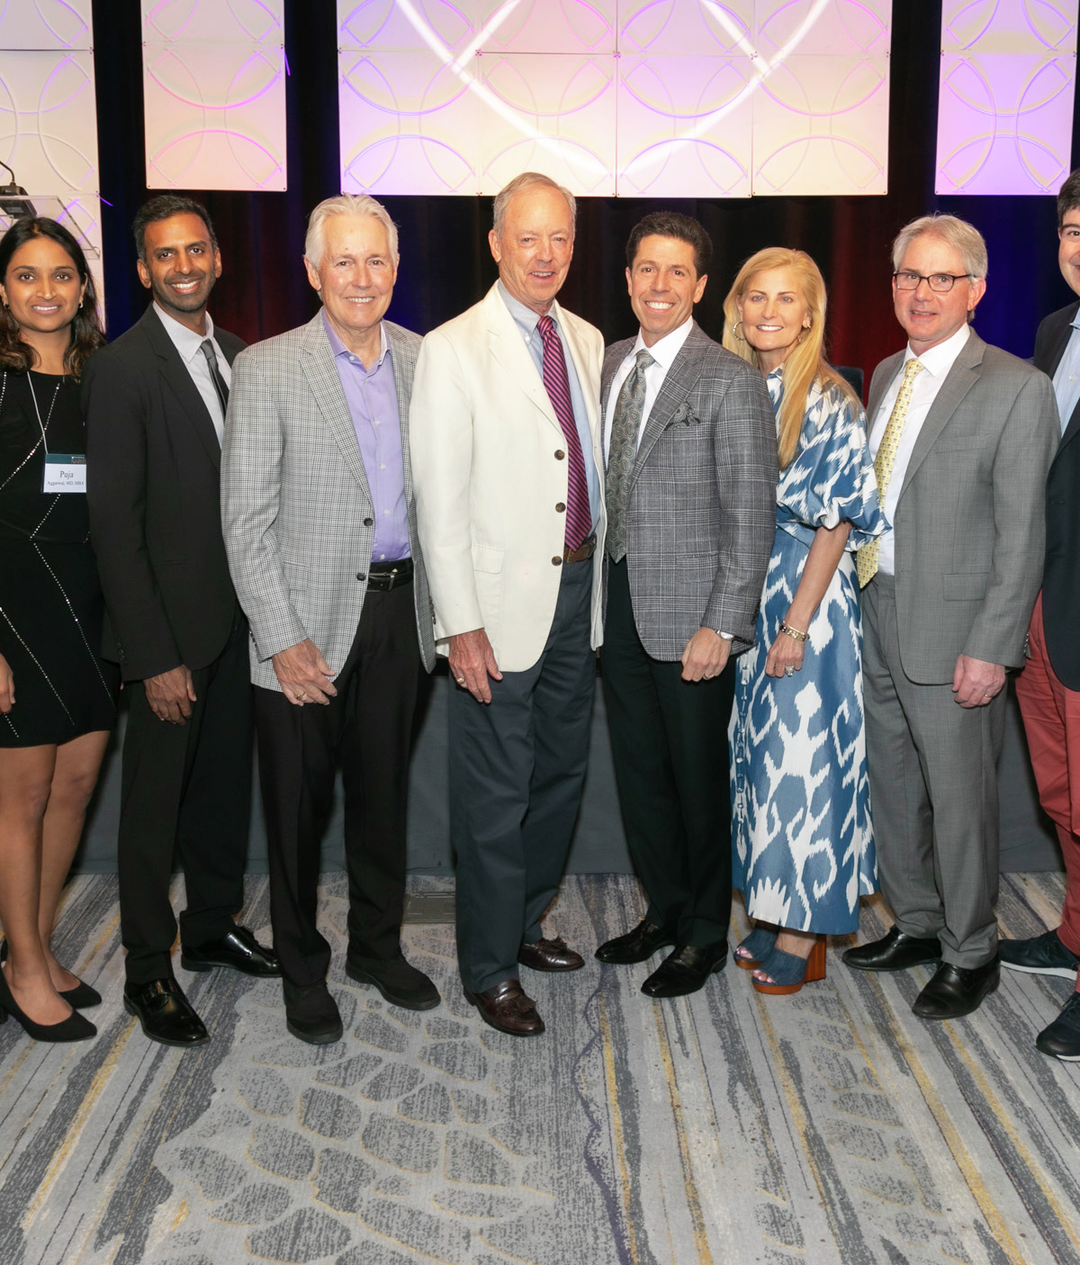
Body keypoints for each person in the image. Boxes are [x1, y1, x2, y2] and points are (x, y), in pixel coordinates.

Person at [221, 194, 438, 1047]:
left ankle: (377, 950)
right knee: (297, 812)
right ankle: (302, 970)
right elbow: (244, 520)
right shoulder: (268, 367)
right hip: (301, 631)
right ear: (312, 272)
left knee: (383, 799)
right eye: (342, 261)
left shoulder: (428, 361)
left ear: (396, 269)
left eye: (375, 260)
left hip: (400, 614)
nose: (360, 277)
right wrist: (279, 636)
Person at [843, 214, 1058, 1020]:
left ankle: (974, 951)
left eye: (941, 278)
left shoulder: (1015, 387)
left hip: (959, 630)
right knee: (892, 786)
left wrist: (993, 647)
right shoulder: (883, 377)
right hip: (878, 605)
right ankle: (920, 925)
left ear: (976, 289)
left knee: (961, 798)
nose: (922, 293)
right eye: (908, 277)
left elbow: (1022, 535)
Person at [410, 172, 605, 1038]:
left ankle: (525, 925)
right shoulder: (453, 347)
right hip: (493, 608)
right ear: (495, 244)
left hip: (578, 594)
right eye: (528, 237)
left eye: (560, 237)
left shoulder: (588, 339)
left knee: (559, 779)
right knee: (494, 798)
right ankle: (488, 968)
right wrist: (460, 623)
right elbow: (438, 499)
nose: (545, 254)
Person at [83, 195, 278, 1049]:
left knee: (222, 793)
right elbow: (114, 527)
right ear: (142, 271)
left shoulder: (239, 356)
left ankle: (208, 926)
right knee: (153, 809)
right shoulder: (123, 369)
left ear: (217, 257)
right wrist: (153, 655)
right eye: (166, 255)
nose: (185, 265)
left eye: (196, 250)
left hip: (240, 628)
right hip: (170, 639)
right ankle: (145, 971)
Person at [594, 214, 776, 998]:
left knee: (699, 783)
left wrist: (723, 623)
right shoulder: (603, 365)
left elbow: (750, 515)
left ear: (701, 287)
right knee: (641, 778)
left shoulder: (729, 379)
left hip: (694, 621)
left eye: (677, 272)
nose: (658, 285)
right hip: (617, 607)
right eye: (645, 269)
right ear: (629, 279)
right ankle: (664, 911)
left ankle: (703, 933)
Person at [723, 248, 883, 994]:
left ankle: (803, 930)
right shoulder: (744, 385)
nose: (768, 312)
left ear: (811, 314)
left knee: (805, 767)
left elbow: (835, 527)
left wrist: (794, 626)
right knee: (757, 762)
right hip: (753, 592)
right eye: (756, 297)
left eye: (787, 300)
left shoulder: (827, 399)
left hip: (804, 603)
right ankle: (770, 904)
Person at [0, 218, 117, 1043]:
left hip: (92, 606)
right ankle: (25, 971)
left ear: (83, 288)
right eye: (27, 276)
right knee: (23, 797)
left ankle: (30, 947)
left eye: (62, 274)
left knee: (73, 789)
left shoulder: (104, 380)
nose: (46, 290)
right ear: (3, 292)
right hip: (14, 611)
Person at [1002, 168, 1080, 1061]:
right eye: (1069, 231)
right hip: (1043, 610)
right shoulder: (1057, 332)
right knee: (1063, 798)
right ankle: (1073, 933)